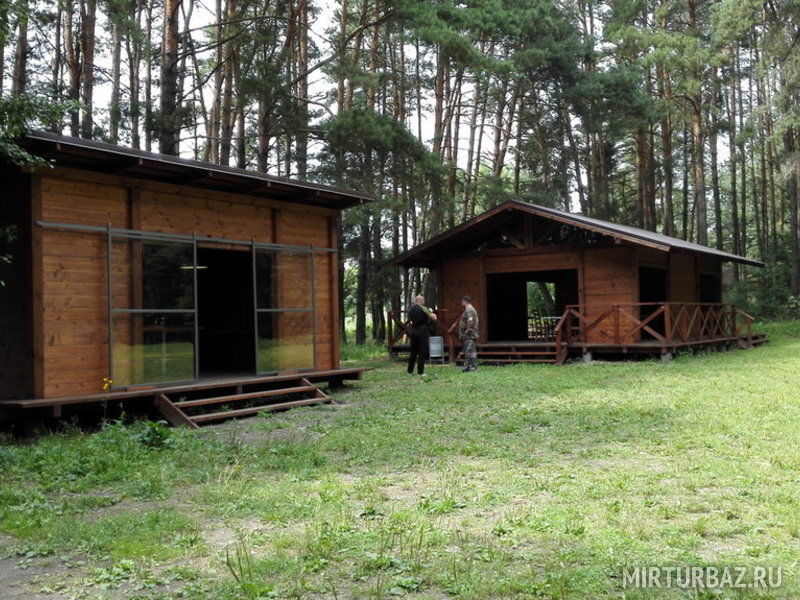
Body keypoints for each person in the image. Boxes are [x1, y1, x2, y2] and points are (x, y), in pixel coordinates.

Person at [406, 295, 437, 376]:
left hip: (413, 331)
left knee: (413, 352)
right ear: (420, 300)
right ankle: (420, 372)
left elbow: (409, 319)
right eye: (423, 300)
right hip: (422, 332)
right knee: (421, 352)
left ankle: (410, 371)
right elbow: (434, 318)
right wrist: (431, 312)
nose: (424, 302)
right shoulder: (423, 308)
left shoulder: (411, 309)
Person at [458, 295, 479, 372]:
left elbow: (470, 320)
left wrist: (467, 329)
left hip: (469, 335)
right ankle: (467, 367)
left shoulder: (469, 309)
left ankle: (472, 368)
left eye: (462, 301)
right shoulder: (470, 309)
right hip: (469, 335)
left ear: (464, 301)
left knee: (470, 351)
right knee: (468, 351)